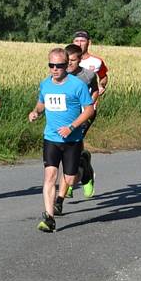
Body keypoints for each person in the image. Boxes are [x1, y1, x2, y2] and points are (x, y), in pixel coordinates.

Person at [28, 48, 94, 232]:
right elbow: (42, 102)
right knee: (50, 176)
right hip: (51, 138)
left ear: (67, 65)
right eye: (51, 65)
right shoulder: (45, 84)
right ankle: (49, 217)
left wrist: (72, 127)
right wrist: (36, 112)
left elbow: (89, 110)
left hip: (72, 139)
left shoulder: (77, 85)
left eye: (59, 66)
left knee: (71, 179)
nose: (55, 69)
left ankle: (84, 166)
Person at [53, 43, 98, 214]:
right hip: (63, 120)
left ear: (80, 60)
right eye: (67, 60)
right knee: (68, 154)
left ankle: (62, 195)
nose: (69, 64)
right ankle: (83, 166)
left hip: (81, 118)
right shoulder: (59, 74)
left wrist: (90, 104)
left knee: (70, 150)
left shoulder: (87, 75)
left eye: (73, 60)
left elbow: (95, 89)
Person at [71, 30, 108, 197]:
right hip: (68, 111)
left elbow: (103, 77)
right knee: (71, 145)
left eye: (82, 40)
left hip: (88, 110)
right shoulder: (67, 60)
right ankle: (83, 168)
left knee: (73, 142)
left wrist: (101, 87)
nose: (79, 43)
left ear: (88, 42)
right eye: (77, 40)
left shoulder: (96, 62)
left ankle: (71, 182)